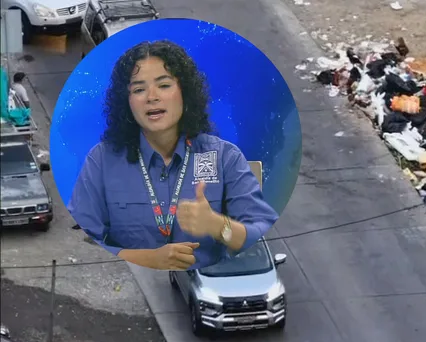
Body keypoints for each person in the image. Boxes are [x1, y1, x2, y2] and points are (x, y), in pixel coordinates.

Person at [68, 40, 278, 271]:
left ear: (184, 93)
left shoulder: (223, 157)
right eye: (139, 89)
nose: (152, 97)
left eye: (164, 85)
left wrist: (217, 225)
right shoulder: (101, 160)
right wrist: (146, 260)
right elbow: (84, 244)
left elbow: (260, 230)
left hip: (207, 291)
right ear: (126, 103)